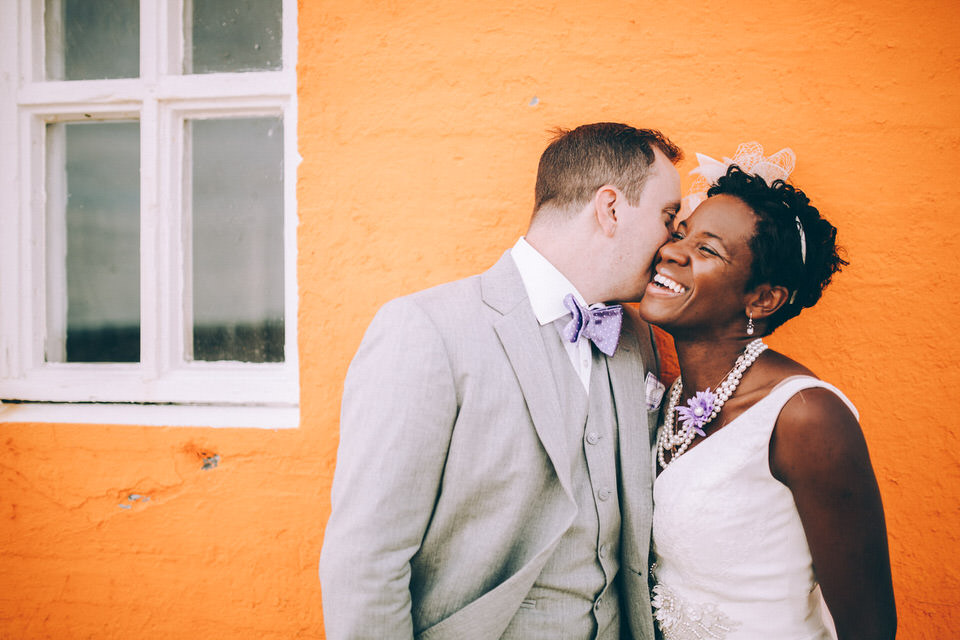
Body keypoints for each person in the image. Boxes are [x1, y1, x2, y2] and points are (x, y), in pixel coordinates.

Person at [319, 123, 683, 639]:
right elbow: (365, 558)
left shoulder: (636, 337)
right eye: (669, 218)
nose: (673, 243)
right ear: (611, 208)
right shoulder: (427, 329)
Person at [638, 163, 897, 640]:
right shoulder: (669, 392)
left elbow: (870, 626)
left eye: (706, 249)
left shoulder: (804, 416)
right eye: (681, 233)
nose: (672, 252)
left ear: (763, 300)